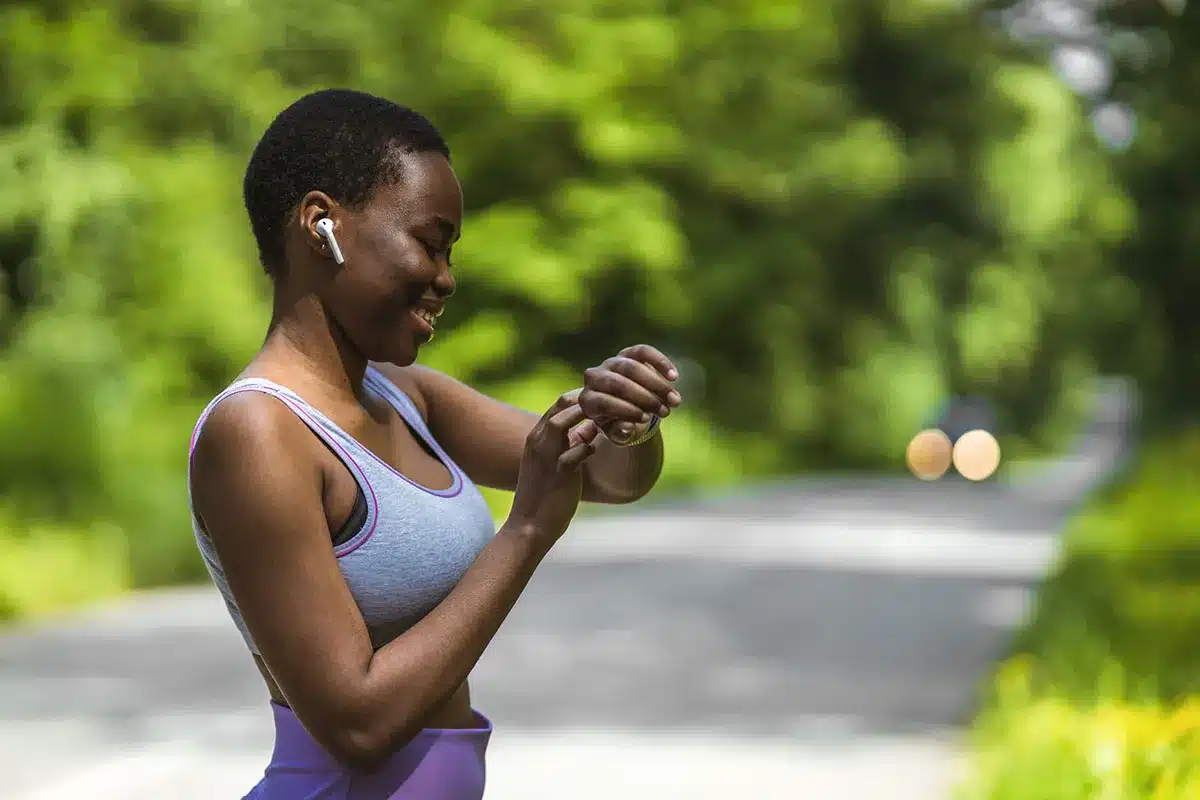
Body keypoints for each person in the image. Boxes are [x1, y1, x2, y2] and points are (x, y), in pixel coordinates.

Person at [186, 88, 682, 800]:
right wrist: (528, 531)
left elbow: (612, 475)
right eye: (430, 242)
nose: (446, 279)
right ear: (321, 224)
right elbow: (357, 726)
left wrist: (629, 421)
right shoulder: (258, 433)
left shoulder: (404, 395)